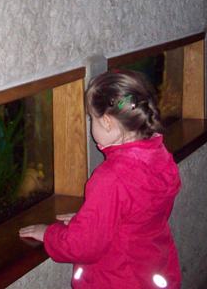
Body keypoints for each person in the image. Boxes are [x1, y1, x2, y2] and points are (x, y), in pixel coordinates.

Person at [18, 70, 181, 288]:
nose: (90, 124)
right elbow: (137, 214)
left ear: (106, 122)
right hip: (151, 271)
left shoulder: (111, 177)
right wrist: (92, 220)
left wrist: (49, 234)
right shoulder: (159, 155)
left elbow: (83, 247)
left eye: (91, 118)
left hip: (117, 279)